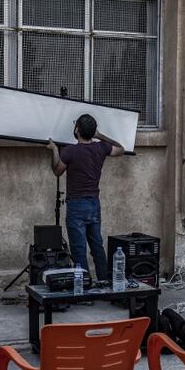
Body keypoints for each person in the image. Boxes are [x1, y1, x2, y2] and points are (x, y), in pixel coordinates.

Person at [46, 114, 124, 282]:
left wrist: (54, 150)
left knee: (79, 249)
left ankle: (85, 286)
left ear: (77, 130)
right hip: (94, 204)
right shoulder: (101, 148)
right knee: (97, 245)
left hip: (76, 206)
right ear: (93, 131)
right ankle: (104, 282)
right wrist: (100, 135)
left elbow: (57, 171)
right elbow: (121, 148)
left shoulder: (70, 151)